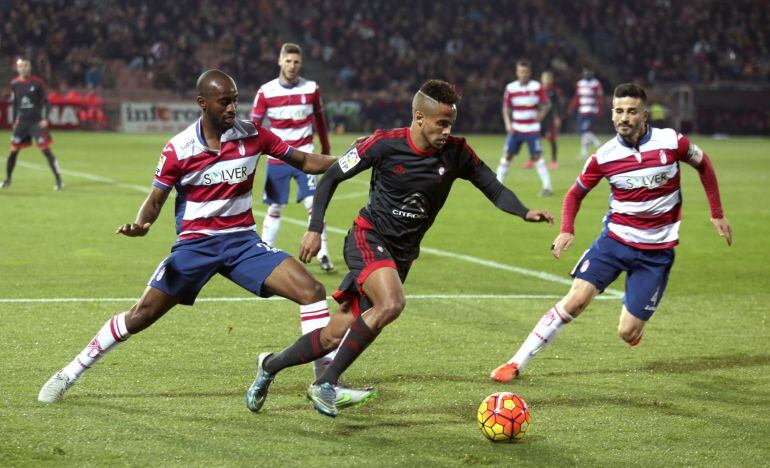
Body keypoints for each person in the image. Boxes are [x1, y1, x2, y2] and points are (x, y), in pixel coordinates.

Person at [37, 70, 374, 409]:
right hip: (196, 246)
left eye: (235, 101)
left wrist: (354, 159)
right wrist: (142, 224)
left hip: (242, 243)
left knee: (312, 292)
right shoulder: (179, 149)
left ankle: (323, 383)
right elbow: (155, 200)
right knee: (140, 315)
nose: (232, 108)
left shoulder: (253, 135)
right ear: (203, 103)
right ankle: (71, 371)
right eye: (224, 102)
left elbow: (304, 160)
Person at [245, 79, 554, 418]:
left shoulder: (457, 152)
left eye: (451, 123)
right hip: (369, 238)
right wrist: (315, 228)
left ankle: (270, 366)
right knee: (391, 303)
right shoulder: (383, 144)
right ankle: (327, 383)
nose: (447, 130)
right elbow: (332, 176)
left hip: (401, 255)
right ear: (419, 117)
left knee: (336, 333)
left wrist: (525, 211)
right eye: (441, 123)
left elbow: (492, 187)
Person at [490, 83, 733, 382]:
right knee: (576, 300)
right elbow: (573, 195)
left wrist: (717, 213)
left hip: (656, 253)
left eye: (631, 111)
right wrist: (567, 229)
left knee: (627, 332)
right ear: (612, 114)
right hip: (614, 242)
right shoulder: (604, 156)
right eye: (619, 111)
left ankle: (635, 323)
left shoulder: (671, 142)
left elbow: (704, 165)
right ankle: (515, 362)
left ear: (644, 115)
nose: (624, 118)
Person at [251, 43, 334, 272]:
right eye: (288, 61)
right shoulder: (266, 91)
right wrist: (250, 157)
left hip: (305, 158)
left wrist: (325, 149)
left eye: (296, 61)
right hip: (278, 159)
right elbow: (254, 128)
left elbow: (320, 121)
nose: (292, 65)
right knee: (275, 208)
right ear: (280, 61)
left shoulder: (311, 88)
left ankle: (324, 254)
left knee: (314, 206)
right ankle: (264, 251)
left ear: (301, 63)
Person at [2, 58, 63, 190]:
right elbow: (16, 104)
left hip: (36, 123)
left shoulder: (37, 83)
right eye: (21, 66)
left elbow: (47, 102)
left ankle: (58, 180)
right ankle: (7, 180)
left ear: (30, 67)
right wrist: (14, 121)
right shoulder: (14, 84)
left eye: (26, 66)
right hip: (22, 123)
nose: (24, 68)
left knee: (45, 150)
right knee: (13, 151)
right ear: (17, 69)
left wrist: (45, 118)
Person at [495, 59, 553, 196]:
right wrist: (508, 124)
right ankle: (496, 185)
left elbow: (547, 104)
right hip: (516, 128)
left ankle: (547, 187)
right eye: (521, 71)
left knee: (536, 156)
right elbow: (506, 107)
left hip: (532, 128)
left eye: (526, 72)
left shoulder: (536, 87)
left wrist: (541, 114)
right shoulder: (511, 88)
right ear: (517, 72)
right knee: (508, 155)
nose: (523, 74)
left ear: (530, 72)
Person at [568, 68, 603, 160]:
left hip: (591, 110)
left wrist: (599, 110)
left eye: (588, 73)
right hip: (581, 110)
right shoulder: (580, 83)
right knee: (584, 132)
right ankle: (595, 145)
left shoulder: (596, 83)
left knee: (585, 130)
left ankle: (594, 146)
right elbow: (577, 97)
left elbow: (599, 98)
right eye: (585, 73)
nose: (586, 75)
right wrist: (572, 107)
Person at [540, 71, 564, 170]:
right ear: (542, 80)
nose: (547, 81)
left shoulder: (554, 92)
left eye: (549, 79)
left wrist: (557, 117)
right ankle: (533, 159)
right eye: (545, 79)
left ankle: (554, 161)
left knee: (552, 139)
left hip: (550, 119)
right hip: (539, 118)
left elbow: (557, 105)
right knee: (534, 139)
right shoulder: (538, 90)